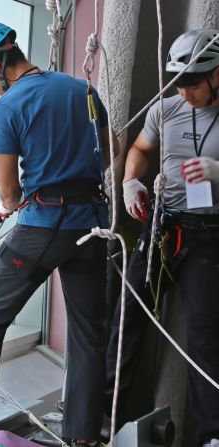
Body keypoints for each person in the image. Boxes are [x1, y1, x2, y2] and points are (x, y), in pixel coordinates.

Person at [0, 20, 117, 445]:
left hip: (42, 227)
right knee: (88, 332)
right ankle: (83, 436)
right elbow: (109, 154)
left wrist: (11, 202)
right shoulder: (84, 91)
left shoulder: (7, 106)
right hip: (92, 224)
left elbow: (7, 189)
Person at [110, 28, 219, 446]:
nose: (185, 92)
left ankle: (211, 434)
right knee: (128, 315)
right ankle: (105, 411)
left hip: (207, 234)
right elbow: (138, 149)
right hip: (163, 225)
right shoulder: (167, 109)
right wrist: (131, 182)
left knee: (204, 332)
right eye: (179, 84)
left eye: (192, 83)